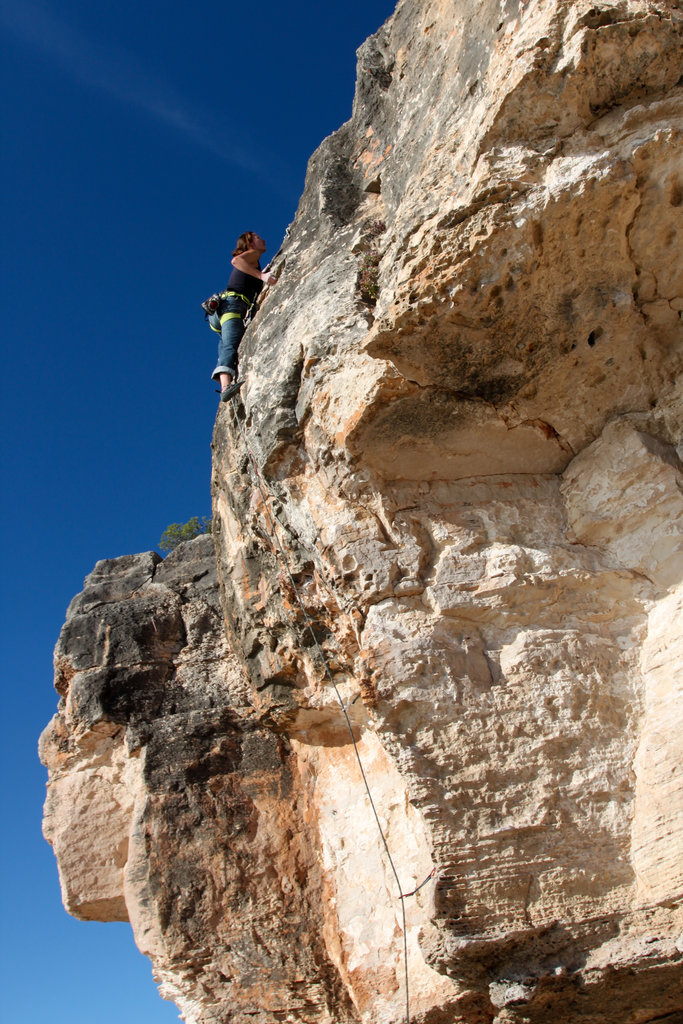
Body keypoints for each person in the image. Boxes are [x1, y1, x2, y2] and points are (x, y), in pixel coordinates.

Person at [210, 232, 278, 401]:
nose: (263, 239)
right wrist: (262, 276)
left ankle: (225, 382)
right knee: (230, 346)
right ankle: (226, 387)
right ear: (249, 243)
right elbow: (236, 261)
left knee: (226, 346)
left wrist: (261, 274)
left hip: (222, 310)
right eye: (257, 237)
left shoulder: (253, 265)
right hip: (232, 306)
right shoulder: (250, 256)